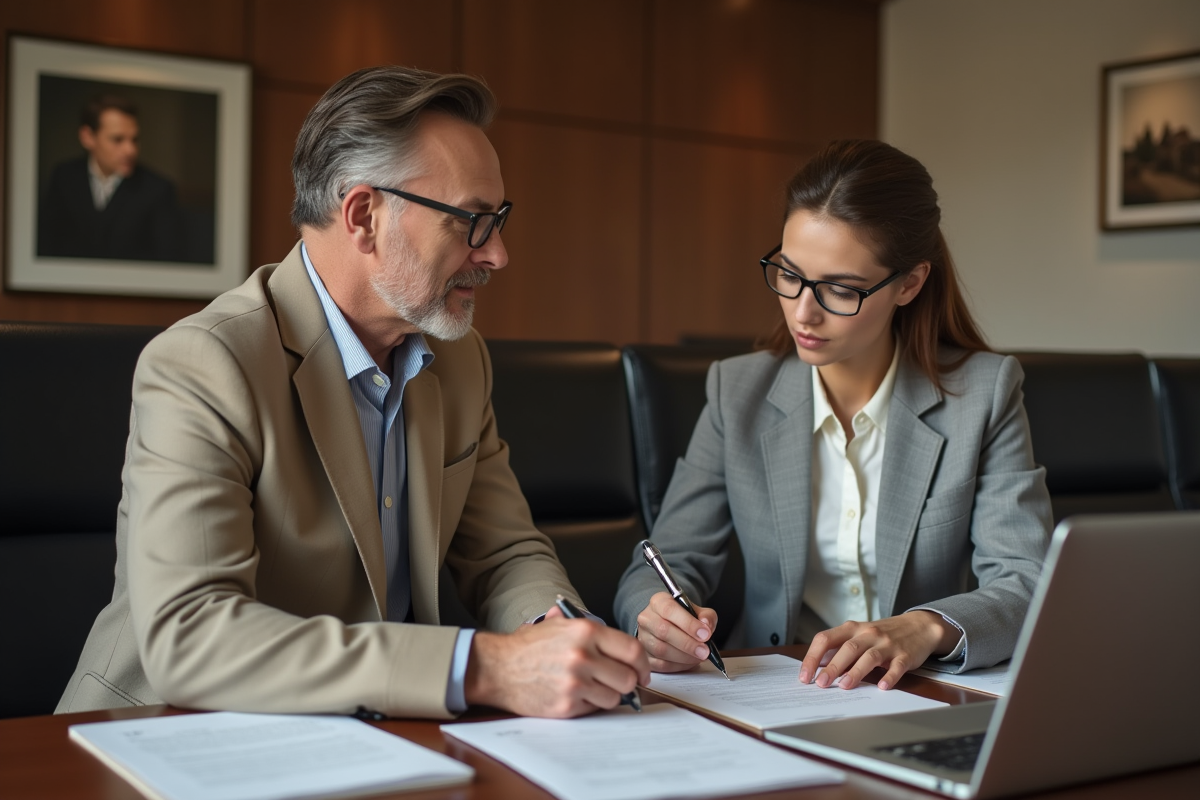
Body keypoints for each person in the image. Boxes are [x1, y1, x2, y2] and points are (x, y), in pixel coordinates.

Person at [57, 66, 648, 720]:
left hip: (374, 739)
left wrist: (557, 632)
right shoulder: (204, 362)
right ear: (365, 216)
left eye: (499, 220)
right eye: (472, 222)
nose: (498, 254)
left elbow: (504, 552)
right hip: (165, 736)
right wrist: (482, 666)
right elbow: (191, 634)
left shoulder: (459, 359)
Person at [614, 139, 1052, 691]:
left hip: (914, 690)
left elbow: (1027, 579)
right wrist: (652, 615)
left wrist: (925, 627)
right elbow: (663, 560)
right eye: (789, 274)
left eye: (840, 289)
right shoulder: (737, 391)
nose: (803, 311)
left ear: (910, 284)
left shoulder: (983, 394)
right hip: (778, 691)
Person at [38, 94, 185, 262]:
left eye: (135, 139)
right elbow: (46, 245)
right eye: (118, 139)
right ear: (87, 137)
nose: (130, 150)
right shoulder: (64, 177)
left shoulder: (158, 189)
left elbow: (167, 260)